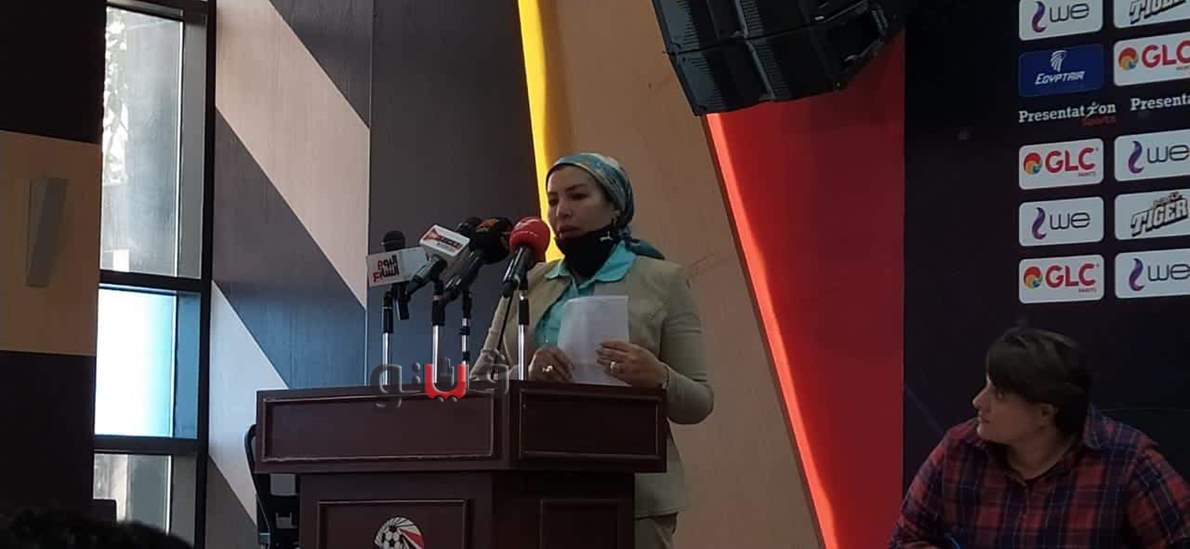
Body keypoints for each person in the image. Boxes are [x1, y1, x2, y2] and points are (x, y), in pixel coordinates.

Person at [480, 152, 713, 549]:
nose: (562, 211)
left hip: (634, 494)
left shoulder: (663, 280)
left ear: (615, 206)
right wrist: (525, 375)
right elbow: (479, 384)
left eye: (577, 196)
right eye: (553, 200)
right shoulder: (527, 282)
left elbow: (699, 402)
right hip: (533, 487)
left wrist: (658, 376)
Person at [891, 327, 1190, 548]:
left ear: (1045, 413)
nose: (978, 402)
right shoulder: (959, 449)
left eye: (999, 394)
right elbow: (907, 539)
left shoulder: (1128, 461)